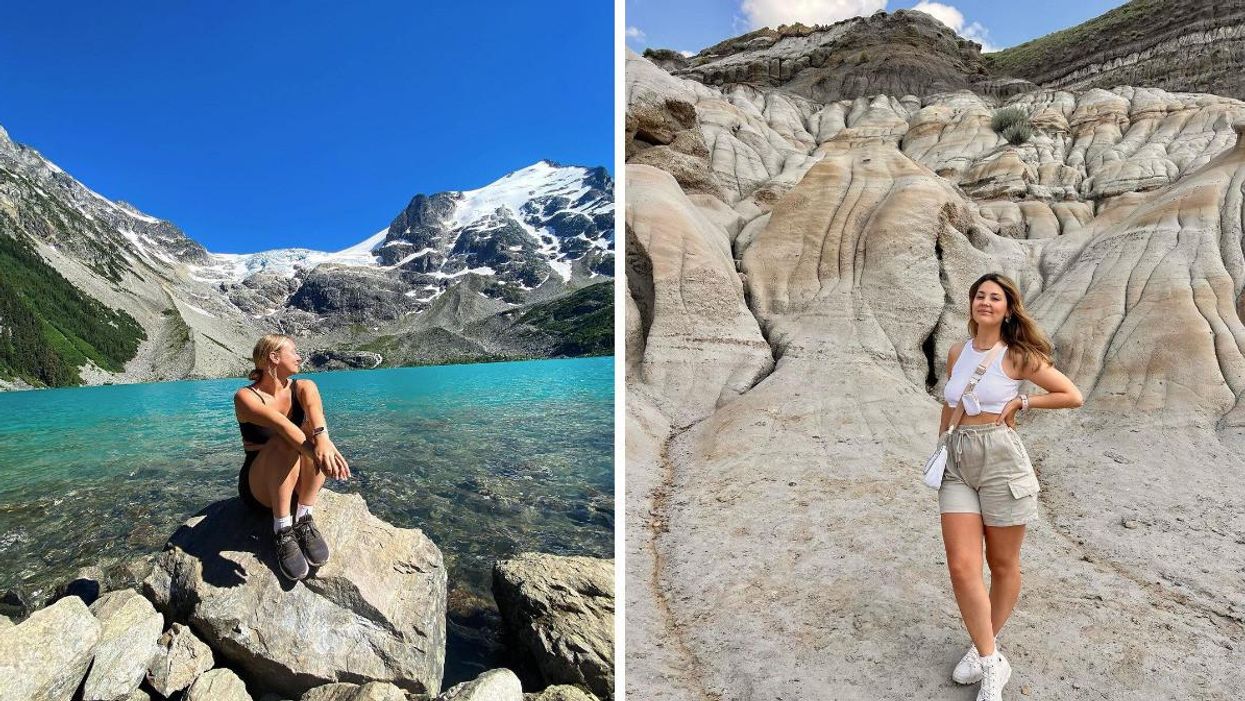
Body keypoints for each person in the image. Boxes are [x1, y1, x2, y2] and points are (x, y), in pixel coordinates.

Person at [937, 273, 1083, 701]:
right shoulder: (955, 352)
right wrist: (942, 444)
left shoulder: (1016, 355)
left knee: (1002, 565)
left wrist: (1024, 401)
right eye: (979, 296)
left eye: (994, 298)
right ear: (971, 304)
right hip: (958, 460)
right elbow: (950, 403)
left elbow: (1070, 394)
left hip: (1001, 459)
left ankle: (984, 644)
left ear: (1007, 308)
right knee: (963, 566)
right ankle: (989, 660)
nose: (986, 302)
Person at [233, 334, 351, 580]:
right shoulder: (245, 397)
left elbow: (316, 416)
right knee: (285, 441)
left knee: (315, 436)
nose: (300, 357)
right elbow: (283, 427)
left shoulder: (304, 386)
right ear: (273, 357)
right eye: (293, 352)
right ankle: (283, 529)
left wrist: (323, 440)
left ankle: (304, 517)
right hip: (261, 488)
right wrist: (319, 455)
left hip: (298, 483)